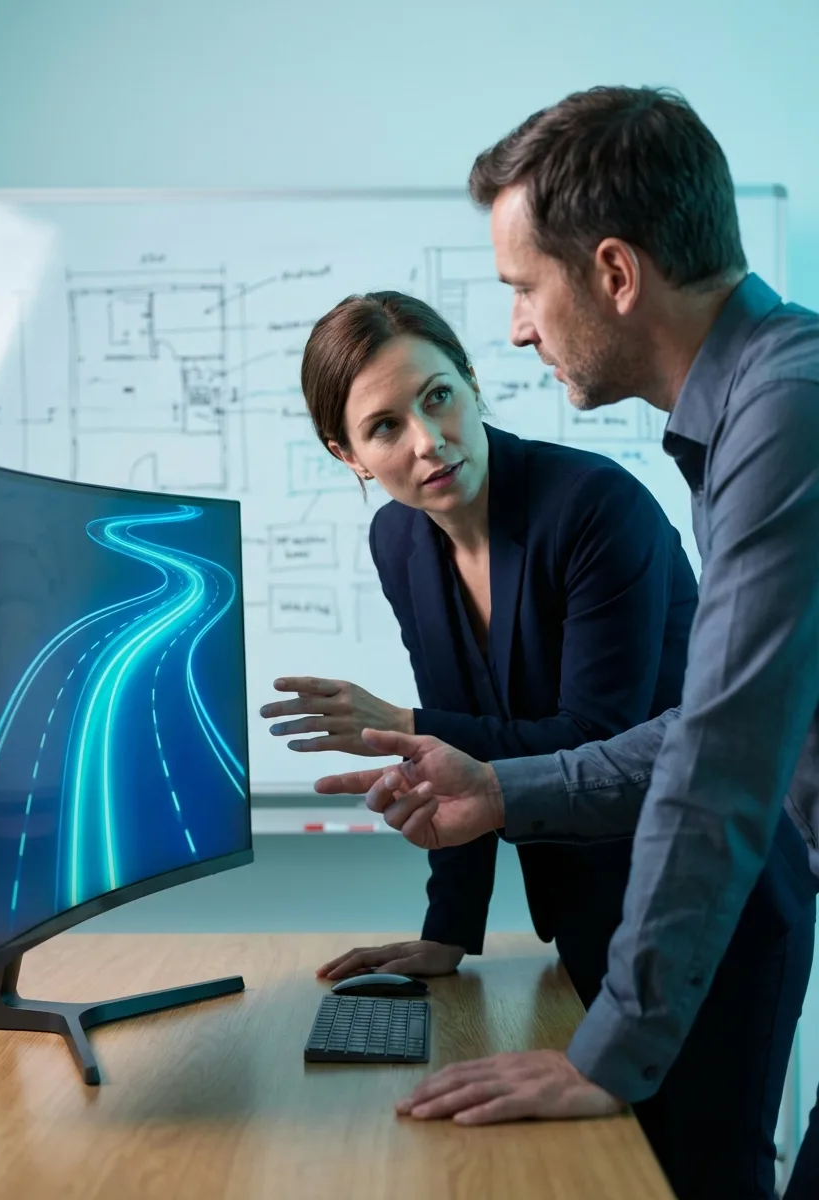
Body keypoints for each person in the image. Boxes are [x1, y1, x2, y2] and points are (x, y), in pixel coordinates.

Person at [315, 86, 819, 1200]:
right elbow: (705, 732)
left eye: (521, 287)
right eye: (384, 427)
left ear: (614, 273)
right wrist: (492, 800)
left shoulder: (782, 416)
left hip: (717, 919)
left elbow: (718, 762)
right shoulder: (753, 411)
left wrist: (608, 1052)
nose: (517, 327)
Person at [261, 290, 697, 998]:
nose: (428, 441)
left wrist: (403, 724)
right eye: (385, 426)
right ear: (350, 456)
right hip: (584, 911)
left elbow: (596, 741)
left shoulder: (595, 507)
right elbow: (453, 761)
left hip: (697, 896)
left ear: (470, 380)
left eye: (438, 396)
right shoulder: (397, 539)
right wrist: (449, 932)